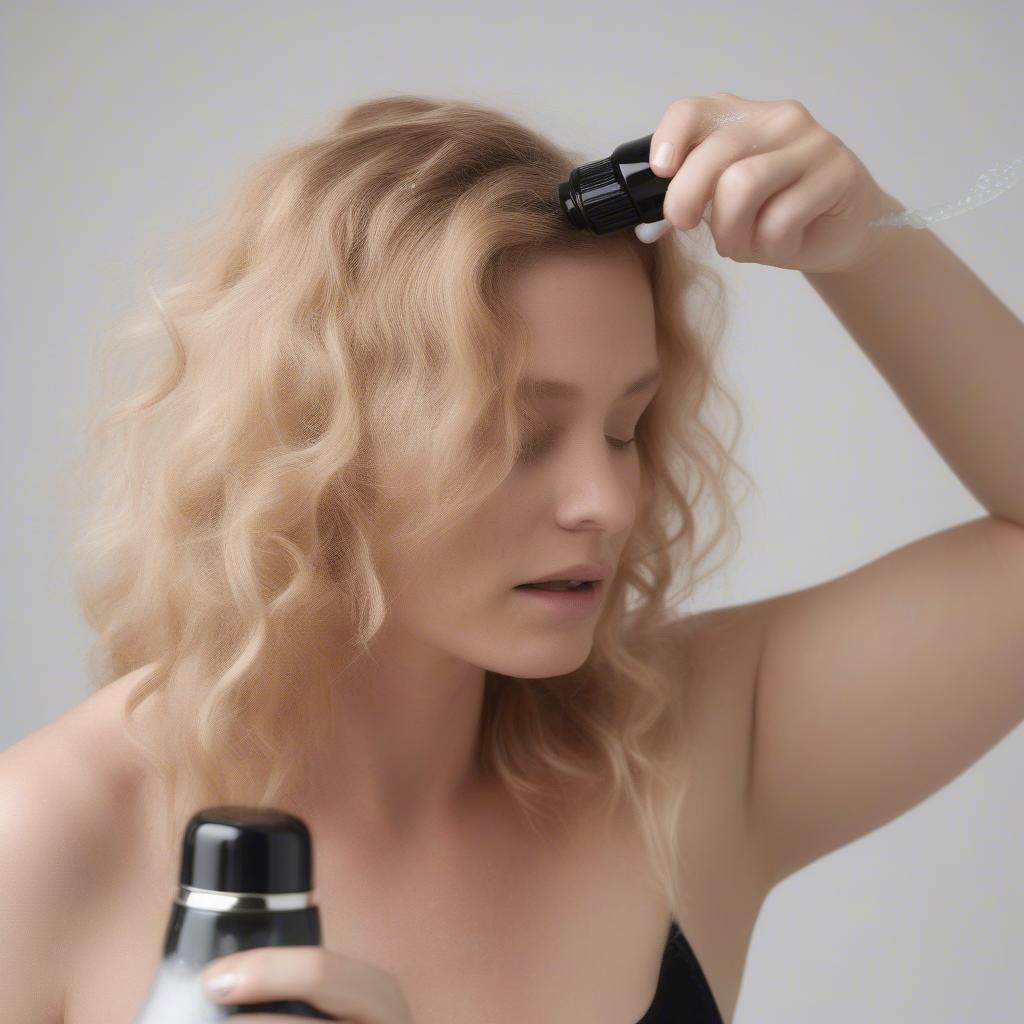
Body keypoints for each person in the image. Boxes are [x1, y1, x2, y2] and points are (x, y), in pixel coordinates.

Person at [3, 92, 1023, 1024]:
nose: (607, 501)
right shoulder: (42, 845)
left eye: (625, 427)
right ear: (314, 443)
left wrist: (868, 245)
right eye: (515, 437)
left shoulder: (679, 756)